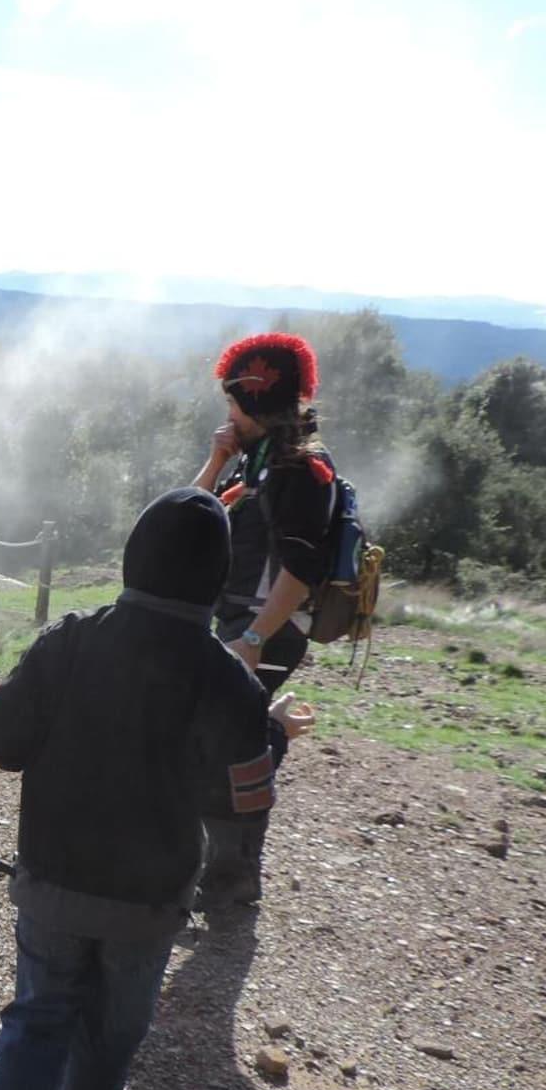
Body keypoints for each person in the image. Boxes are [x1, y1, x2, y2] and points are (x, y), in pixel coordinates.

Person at [0, 488, 315, 1090]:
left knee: (37, 1020)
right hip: (148, 904)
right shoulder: (225, 677)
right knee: (117, 1027)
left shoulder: (71, 641)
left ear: (133, 556)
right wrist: (271, 732)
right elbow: (242, 801)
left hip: (53, 881)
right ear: (216, 574)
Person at [191, 332, 337, 907]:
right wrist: (217, 458)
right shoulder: (255, 462)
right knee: (222, 741)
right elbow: (187, 517)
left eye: (232, 405)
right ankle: (223, 872)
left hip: (264, 630)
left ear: (254, 402)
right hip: (238, 624)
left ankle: (230, 876)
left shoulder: (302, 470)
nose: (226, 416)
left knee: (230, 744)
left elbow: (301, 567)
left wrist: (254, 639)